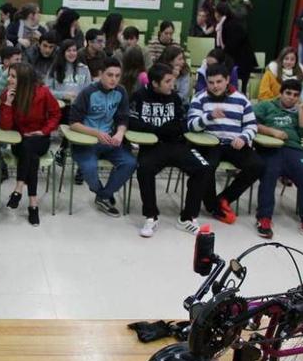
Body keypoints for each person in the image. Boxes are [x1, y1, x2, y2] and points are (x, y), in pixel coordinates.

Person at [130, 63, 209, 236]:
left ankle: (187, 218)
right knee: (144, 169)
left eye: (172, 81)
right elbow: (133, 122)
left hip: (176, 144)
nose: (172, 85)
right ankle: (151, 217)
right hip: (151, 145)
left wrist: (158, 129)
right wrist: (159, 130)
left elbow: (180, 125)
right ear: (154, 83)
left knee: (203, 168)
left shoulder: (174, 98)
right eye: (167, 82)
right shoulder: (139, 96)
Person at [187, 63, 263, 225]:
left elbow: (252, 125)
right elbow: (191, 125)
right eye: (211, 82)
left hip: (234, 143)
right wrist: (208, 117)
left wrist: (243, 138)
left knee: (257, 165)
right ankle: (212, 207)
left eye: (219, 82)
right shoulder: (199, 98)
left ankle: (224, 198)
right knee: (207, 166)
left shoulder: (241, 99)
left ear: (227, 80)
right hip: (209, 142)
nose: (215, 86)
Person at [253, 79, 303, 242]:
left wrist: (300, 110)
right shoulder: (267, 106)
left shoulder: (298, 110)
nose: (291, 97)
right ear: (281, 93)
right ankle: (264, 218)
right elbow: (249, 122)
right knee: (269, 173)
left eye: (295, 95)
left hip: (294, 150)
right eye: (288, 93)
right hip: (271, 147)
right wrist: (271, 131)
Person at [68, 57, 137, 217]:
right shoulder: (88, 92)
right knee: (90, 169)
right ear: (100, 74)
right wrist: (96, 134)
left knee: (130, 163)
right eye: (110, 75)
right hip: (86, 141)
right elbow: (73, 123)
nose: (114, 79)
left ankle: (103, 196)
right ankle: (102, 194)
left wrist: (120, 133)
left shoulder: (121, 92)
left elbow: (123, 118)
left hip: (109, 141)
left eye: (117, 76)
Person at [0, 62, 61, 226]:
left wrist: (44, 131)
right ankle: (33, 204)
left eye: (13, 76)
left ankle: (19, 189)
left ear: (24, 79)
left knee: (30, 148)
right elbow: (5, 127)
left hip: (40, 139)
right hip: (19, 141)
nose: (9, 79)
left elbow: (56, 114)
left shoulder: (43, 92)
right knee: (30, 153)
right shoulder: (7, 94)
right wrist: (8, 103)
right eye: (9, 76)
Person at [215, 3, 257, 95]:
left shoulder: (231, 24)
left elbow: (231, 45)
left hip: (242, 61)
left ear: (218, 13)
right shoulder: (225, 24)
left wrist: (221, 57)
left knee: (240, 88)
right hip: (235, 59)